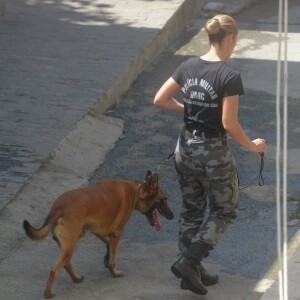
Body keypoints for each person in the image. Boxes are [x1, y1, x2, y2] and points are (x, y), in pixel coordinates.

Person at [153, 14, 266, 295]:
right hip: (212, 153)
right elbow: (229, 123)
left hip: (185, 149)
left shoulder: (188, 65)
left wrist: (189, 109)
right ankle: (189, 262)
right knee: (225, 210)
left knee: (192, 210)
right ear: (230, 38)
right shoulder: (228, 76)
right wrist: (252, 146)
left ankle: (190, 270)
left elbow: (160, 99)